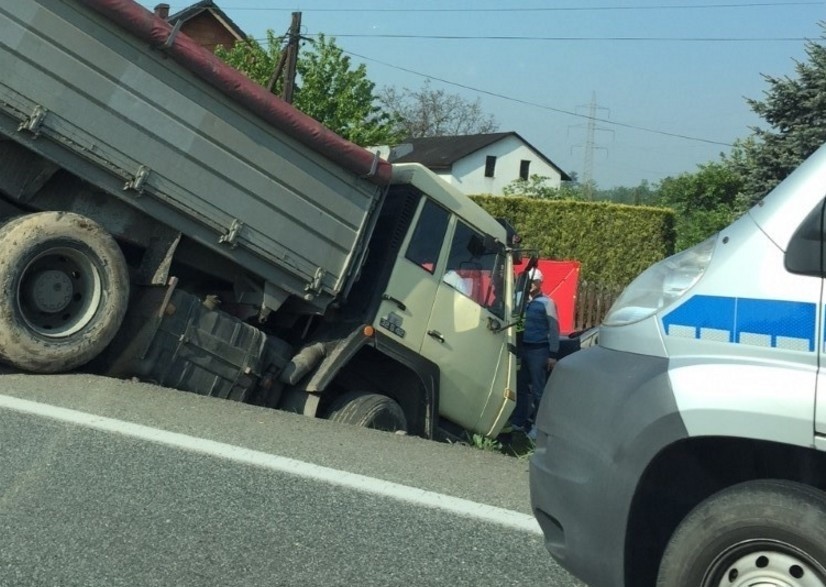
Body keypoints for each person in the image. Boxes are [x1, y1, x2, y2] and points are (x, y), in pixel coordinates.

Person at [510, 267, 559, 439]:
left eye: (534, 282)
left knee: (539, 390)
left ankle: (538, 426)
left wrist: (553, 354)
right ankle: (519, 420)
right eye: (528, 282)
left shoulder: (547, 303)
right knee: (521, 387)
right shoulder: (521, 300)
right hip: (524, 348)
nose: (530, 285)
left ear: (540, 283)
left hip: (539, 349)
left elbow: (554, 329)